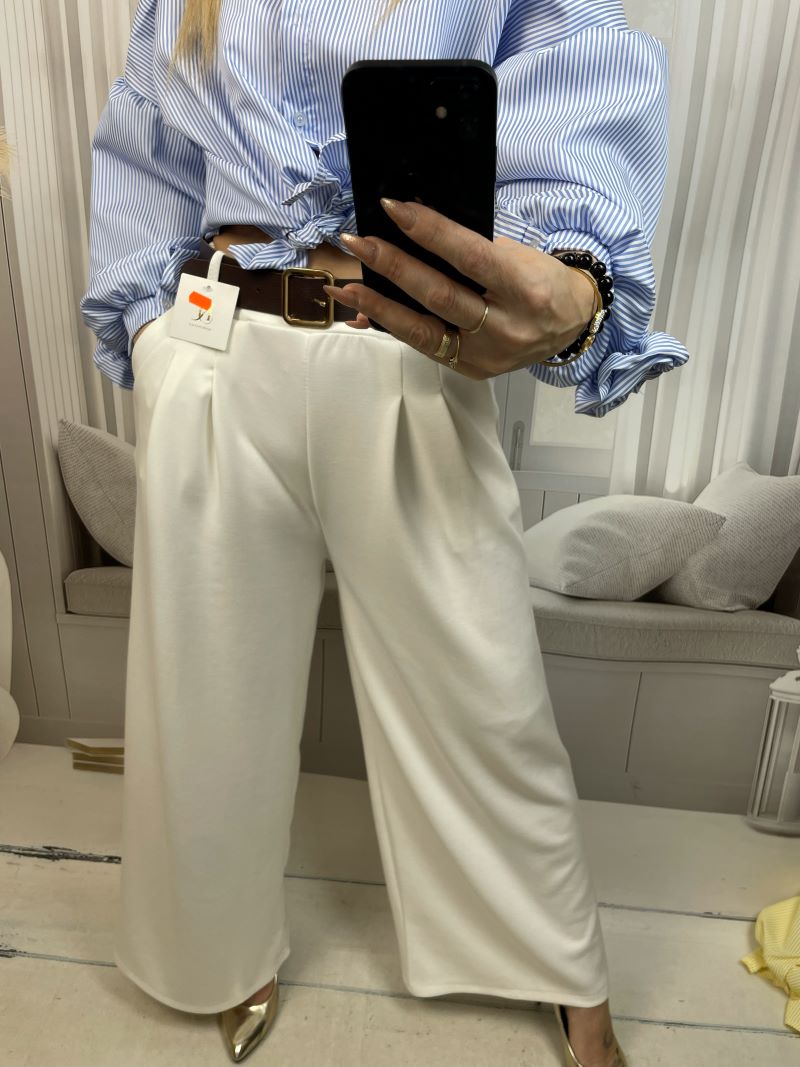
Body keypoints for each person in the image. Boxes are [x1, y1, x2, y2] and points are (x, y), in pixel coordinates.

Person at [79, 1, 688, 1063]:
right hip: (218, 345)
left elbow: (581, 74)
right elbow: (148, 147)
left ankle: (551, 958)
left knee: (482, 690)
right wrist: (153, 336)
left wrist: (578, 281)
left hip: (406, 345)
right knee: (204, 695)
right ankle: (217, 949)